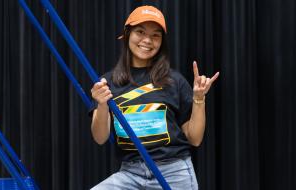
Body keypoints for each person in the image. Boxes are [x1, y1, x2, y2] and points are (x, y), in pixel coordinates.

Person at [90, 5, 219, 190]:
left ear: (162, 42)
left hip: (173, 172)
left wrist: (199, 98)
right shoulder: (106, 83)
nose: (147, 40)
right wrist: (102, 105)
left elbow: (195, 138)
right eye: (140, 32)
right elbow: (100, 137)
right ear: (127, 35)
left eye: (155, 35)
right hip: (130, 173)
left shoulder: (174, 81)